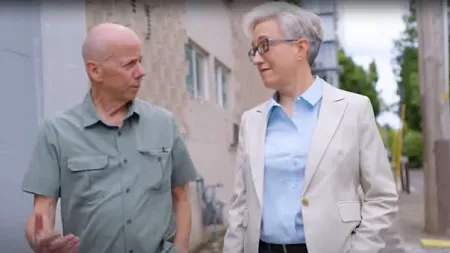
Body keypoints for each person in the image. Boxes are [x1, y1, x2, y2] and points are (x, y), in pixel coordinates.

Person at [222, 2, 398, 253]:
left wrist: (360, 249)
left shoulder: (353, 109)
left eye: (264, 45)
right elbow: (240, 205)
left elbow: (381, 196)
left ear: (300, 48)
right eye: (254, 50)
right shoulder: (252, 120)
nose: (257, 58)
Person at [22, 22, 197, 253]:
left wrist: (181, 249)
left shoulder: (164, 123)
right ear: (95, 71)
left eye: (140, 61)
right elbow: (41, 212)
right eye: (130, 64)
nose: (141, 71)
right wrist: (40, 238)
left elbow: (181, 197)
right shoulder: (56, 131)